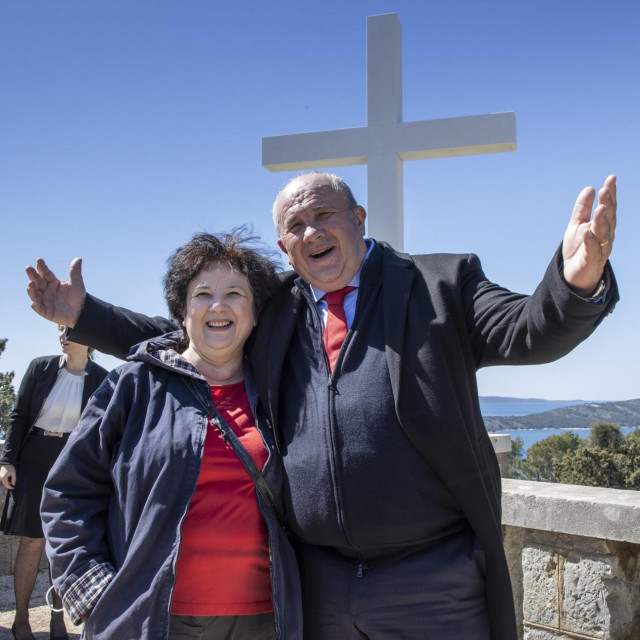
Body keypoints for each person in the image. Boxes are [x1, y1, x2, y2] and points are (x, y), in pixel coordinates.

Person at [26, 173, 618, 640]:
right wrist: (84, 317)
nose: (311, 232)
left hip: (430, 582)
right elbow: (200, 330)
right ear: (285, 247)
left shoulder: (441, 284)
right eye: (295, 224)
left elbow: (523, 330)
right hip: (317, 587)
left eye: (324, 215)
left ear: (358, 219)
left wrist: (573, 285)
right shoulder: (278, 307)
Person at [39, 231, 302, 640]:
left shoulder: (280, 392)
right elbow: (67, 493)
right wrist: (93, 590)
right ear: (182, 310)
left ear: (254, 312)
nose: (218, 305)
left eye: (235, 293)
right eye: (202, 294)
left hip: (263, 620)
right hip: (146, 618)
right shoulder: (132, 385)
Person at [0, 326, 108, 640]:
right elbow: (19, 415)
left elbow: (105, 428)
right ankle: (21, 621)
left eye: (72, 329)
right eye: (61, 329)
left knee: (65, 545)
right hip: (34, 457)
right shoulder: (39, 367)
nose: (64, 334)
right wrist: (7, 461)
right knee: (32, 543)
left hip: (73, 461)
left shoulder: (102, 378)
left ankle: (58, 620)